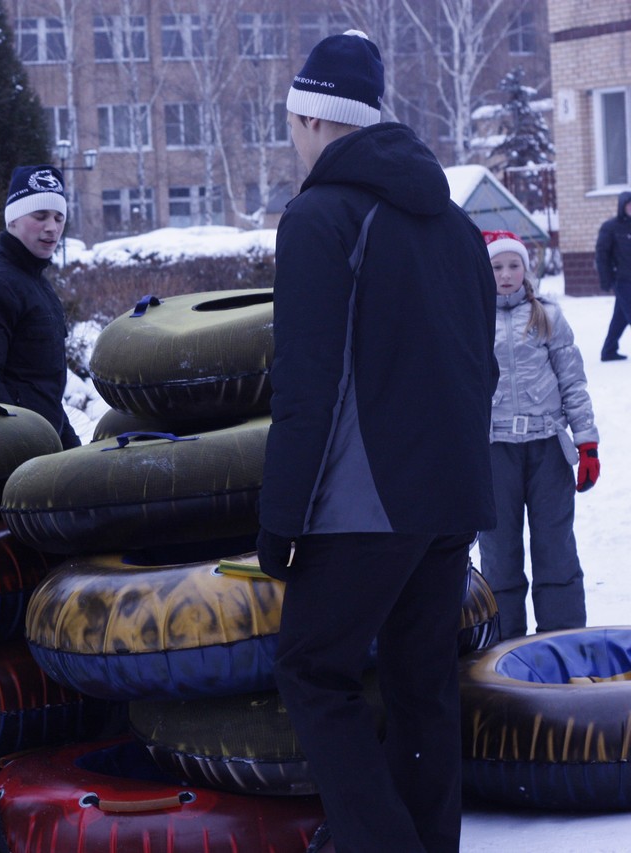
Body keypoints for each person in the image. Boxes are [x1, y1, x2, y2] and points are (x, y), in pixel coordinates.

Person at [256, 31, 498, 853]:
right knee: (421, 681)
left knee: (311, 669)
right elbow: (482, 365)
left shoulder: (318, 217)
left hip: (365, 502)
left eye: (292, 123)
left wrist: (282, 520)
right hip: (449, 496)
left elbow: (307, 384)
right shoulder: (456, 226)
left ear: (311, 119)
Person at [478, 230, 600, 640]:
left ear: (526, 270)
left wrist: (587, 442)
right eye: (497, 266)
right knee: (499, 553)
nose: (506, 274)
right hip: (495, 452)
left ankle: (562, 640)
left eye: (514, 265)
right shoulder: (472, 318)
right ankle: (504, 646)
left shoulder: (546, 315)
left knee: (555, 547)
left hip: (547, 447)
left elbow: (573, 382)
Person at [0, 164, 81, 448]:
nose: (52, 227)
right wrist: (29, 446)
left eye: (59, 218)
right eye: (40, 216)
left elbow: (41, 389)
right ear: (12, 221)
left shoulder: (34, 282)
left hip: (39, 447)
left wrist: (70, 449)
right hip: (12, 455)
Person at [596, 191, 631, 361]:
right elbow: (602, 255)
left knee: (620, 317)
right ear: (622, 206)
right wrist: (606, 280)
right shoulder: (610, 227)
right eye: (629, 205)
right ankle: (609, 350)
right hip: (622, 280)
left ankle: (608, 350)